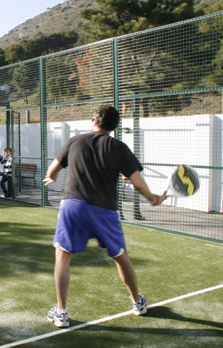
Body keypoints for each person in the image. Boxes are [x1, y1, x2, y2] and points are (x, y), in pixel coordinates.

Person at [43, 105, 167, 328]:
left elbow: (51, 172)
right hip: (105, 211)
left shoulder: (75, 141)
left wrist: (51, 178)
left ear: (94, 121)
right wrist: (152, 198)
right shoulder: (119, 147)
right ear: (115, 127)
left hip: (73, 207)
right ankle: (137, 303)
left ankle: (61, 313)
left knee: (63, 256)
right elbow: (137, 183)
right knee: (121, 257)